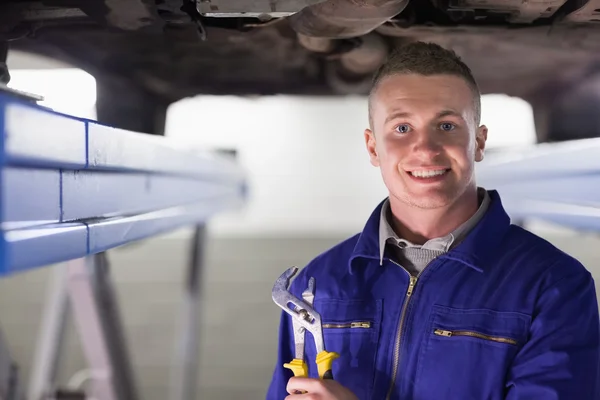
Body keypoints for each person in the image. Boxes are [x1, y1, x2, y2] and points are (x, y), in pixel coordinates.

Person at [266, 41, 600, 400]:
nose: (425, 149)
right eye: (402, 128)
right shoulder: (318, 284)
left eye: (446, 125)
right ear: (373, 147)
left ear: (479, 142)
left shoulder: (553, 285)